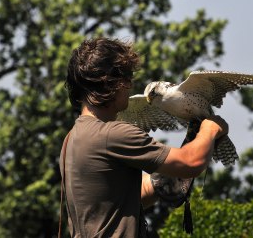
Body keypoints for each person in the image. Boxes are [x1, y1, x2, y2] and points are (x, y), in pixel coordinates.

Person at [60, 37, 229, 237]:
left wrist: (162, 181)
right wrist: (209, 129)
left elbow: (121, 200)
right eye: (127, 77)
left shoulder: (72, 138)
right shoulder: (113, 133)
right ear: (109, 82)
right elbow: (192, 161)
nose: (130, 85)